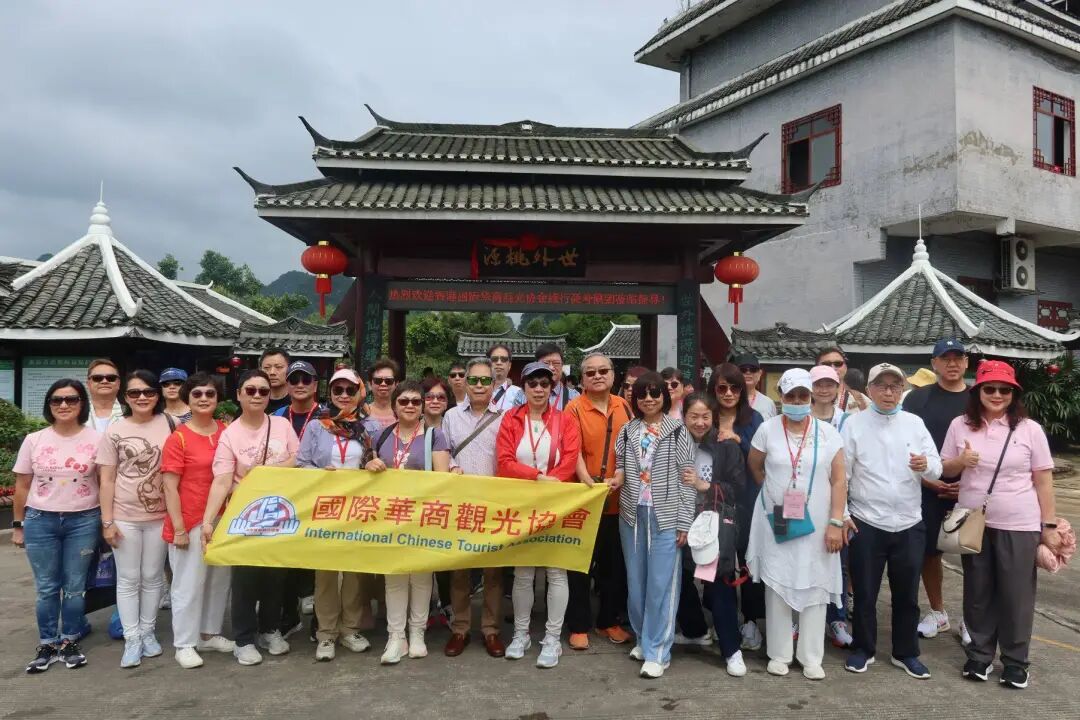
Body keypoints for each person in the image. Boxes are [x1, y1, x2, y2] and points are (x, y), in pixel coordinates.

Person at [941, 360, 1059, 689]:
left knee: (1016, 595)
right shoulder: (960, 425)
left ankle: (1015, 661)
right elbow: (945, 469)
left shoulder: (1029, 429)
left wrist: (1048, 525)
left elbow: (1044, 480)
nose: (997, 395)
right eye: (989, 388)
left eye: (1004, 390)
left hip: (1019, 523)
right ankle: (979, 656)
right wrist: (961, 461)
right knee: (977, 591)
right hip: (973, 523)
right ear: (977, 391)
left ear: (1013, 393)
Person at [842, 363, 942, 680]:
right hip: (867, 520)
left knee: (907, 595)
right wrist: (842, 514)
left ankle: (905, 652)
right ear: (869, 389)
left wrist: (926, 465)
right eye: (881, 386)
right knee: (865, 592)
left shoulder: (914, 423)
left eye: (895, 386)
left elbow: (936, 467)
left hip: (909, 522)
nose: (888, 392)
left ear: (902, 390)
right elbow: (842, 475)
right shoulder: (854, 425)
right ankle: (863, 648)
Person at [747, 368, 847, 681]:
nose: (797, 401)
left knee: (816, 583)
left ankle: (811, 656)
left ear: (811, 397)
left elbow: (840, 479)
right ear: (781, 396)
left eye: (803, 395)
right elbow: (755, 465)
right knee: (777, 582)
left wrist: (836, 521)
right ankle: (779, 653)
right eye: (791, 396)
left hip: (818, 521)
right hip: (777, 518)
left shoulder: (828, 434)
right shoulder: (767, 429)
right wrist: (774, 493)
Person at [202, 369, 300, 666]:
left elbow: (298, 459)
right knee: (245, 578)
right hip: (246, 515)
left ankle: (270, 629)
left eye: (263, 391)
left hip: (281, 512)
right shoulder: (229, 434)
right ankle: (243, 639)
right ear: (239, 394)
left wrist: (265, 472)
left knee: (275, 573)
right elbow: (222, 480)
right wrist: (208, 521)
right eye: (251, 390)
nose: (257, 395)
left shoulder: (282, 425)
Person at [609, 371, 696, 679]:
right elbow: (621, 466)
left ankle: (659, 651)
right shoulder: (627, 430)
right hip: (632, 515)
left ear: (664, 396)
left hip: (667, 515)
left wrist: (685, 521)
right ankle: (643, 638)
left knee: (662, 584)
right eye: (642, 394)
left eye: (655, 393)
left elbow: (687, 477)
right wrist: (616, 479)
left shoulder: (678, 431)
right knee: (636, 583)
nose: (648, 399)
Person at [496, 361, 581, 669]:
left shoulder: (564, 419)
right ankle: (521, 634)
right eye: (532, 383)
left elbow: (570, 458)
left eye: (545, 384)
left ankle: (552, 638)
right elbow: (505, 461)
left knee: (557, 572)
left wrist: (551, 483)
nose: (539, 389)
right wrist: (537, 477)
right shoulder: (511, 418)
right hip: (522, 504)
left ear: (552, 388)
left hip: (556, 503)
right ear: (524, 387)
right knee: (523, 573)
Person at [14, 379, 100, 673]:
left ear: (81, 404)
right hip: (41, 520)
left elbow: (106, 482)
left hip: (84, 520)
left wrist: (108, 521)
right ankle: (48, 643)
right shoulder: (34, 439)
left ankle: (70, 640)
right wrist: (18, 525)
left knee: (75, 587)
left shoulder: (97, 439)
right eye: (57, 400)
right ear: (49, 405)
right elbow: (22, 485)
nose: (64, 405)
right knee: (47, 588)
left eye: (71, 399)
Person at [365, 380, 451, 665]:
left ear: (423, 406)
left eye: (416, 401)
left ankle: (417, 634)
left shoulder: (434, 436)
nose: (410, 406)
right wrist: (370, 465)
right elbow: (369, 472)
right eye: (404, 401)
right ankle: (395, 637)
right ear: (395, 405)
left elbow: (442, 479)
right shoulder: (381, 435)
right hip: (390, 518)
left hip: (423, 518)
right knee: (395, 578)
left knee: (422, 578)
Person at [297, 368, 375, 662]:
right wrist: (320, 473)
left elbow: (377, 460)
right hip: (325, 509)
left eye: (350, 390)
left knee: (354, 572)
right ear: (329, 393)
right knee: (326, 574)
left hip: (357, 509)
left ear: (359, 392)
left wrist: (375, 464)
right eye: (337, 390)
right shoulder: (317, 426)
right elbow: (302, 463)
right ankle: (326, 633)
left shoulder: (370, 427)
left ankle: (350, 629)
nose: (343, 395)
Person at [97, 370, 173, 668]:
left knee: (153, 577)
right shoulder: (114, 430)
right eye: (134, 393)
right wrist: (107, 521)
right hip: (124, 516)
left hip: (160, 515)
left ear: (157, 394)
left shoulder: (171, 424)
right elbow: (106, 479)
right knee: (128, 579)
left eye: (149, 392)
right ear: (125, 397)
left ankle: (148, 632)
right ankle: (132, 638)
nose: (142, 397)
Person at [160, 373, 234, 669]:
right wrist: (178, 528)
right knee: (188, 584)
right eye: (197, 394)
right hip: (189, 520)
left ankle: (209, 633)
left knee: (218, 580)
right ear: (187, 399)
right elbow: (169, 487)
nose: (204, 399)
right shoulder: (177, 438)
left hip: (222, 519)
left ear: (218, 398)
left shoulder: (227, 432)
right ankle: (185, 643)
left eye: (210, 394)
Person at [564, 352, 634, 650]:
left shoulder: (625, 406)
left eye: (603, 371)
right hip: (584, 497)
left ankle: (608, 621)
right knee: (579, 566)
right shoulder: (573, 408)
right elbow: (573, 449)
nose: (597, 376)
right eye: (590, 372)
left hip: (617, 498)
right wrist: (587, 481)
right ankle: (579, 625)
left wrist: (620, 474)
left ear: (613, 375)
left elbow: (632, 447)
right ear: (582, 379)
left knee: (612, 565)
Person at [902, 339, 970, 643]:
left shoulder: (978, 398)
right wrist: (930, 480)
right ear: (934, 363)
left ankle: (972, 618)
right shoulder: (917, 399)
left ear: (966, 362)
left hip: (970, 491)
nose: (952, 363)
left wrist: (966, 485)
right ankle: (938, 611)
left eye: (958, 358)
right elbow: (905, 444)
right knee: (929, 553)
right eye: (945, 358)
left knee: (973, 555)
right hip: (927, 488)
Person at [679, 392, 749, 677]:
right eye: (693, 416)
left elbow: (738, 488)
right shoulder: (674, 443)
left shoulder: (725, 446)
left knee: (718, 583)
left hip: (711, 525)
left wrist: (705, 485)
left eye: (705, 416)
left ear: (714, 417)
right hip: (679, 522)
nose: (699, 422)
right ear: (683, 416)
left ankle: (732, 649)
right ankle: (695, 630)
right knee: (679, 579)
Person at [442, 358, 508, 659]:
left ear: (494, 384)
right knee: (460, 570)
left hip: (494, 504)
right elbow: (443, 451)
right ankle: (460, 628)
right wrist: (452, 467)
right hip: (461, 503)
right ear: (465, 383)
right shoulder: (451, 416)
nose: (479, 385)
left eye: (485, 380)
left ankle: (491, 630)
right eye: (473, 380)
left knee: (494, 572)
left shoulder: (505, 417)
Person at [707, 362, 766, 651]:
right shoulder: (707, 417)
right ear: (714, 390)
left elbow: (763, 458)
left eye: (734, 388)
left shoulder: (754, 419)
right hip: (713, 502)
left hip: (748, 502)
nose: (728, 393)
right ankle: (723, 619)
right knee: (716, 562)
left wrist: (738, 439)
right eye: (722, 388)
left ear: (743, 391)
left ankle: (751, 620)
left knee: (748, 560)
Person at [273, 359, 323, 632]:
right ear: (287, 385)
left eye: (306, 380)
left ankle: (320, 622)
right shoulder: (277, 418)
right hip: (286, 497)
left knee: (318, 561)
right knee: (286, 558)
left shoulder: (328, 417)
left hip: (318, 497)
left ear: (315, 385)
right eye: (294, 380)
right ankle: (288, 616)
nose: (300, 385)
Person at [808, 364, 855, 649]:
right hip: (805, 501)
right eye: (818, 384)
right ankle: (800, 618)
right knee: (804, 560)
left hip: (840, 501)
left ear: (838, 387)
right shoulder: (798, 416)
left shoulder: (847, 421)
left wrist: (844, 512)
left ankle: (836, 619)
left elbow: (846, 471)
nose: (824, 390)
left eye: (829, 384)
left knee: (839, 561)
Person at [816, 347, 868, 413]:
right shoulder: (806, 398)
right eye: (826, 364)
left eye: (838, 363)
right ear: (816, 368)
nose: (833, 367)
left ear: (845, 368)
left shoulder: (861, 400)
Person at [535, 342, 579, 410]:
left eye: (556, 363)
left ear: (562, 365)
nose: (551, 368)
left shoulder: (574, 396)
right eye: (546, 363)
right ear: (536, 366)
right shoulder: (523, 395)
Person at [732, 353, 777, 420]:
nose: (748, 372)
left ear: (760, 373)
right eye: (743, 369)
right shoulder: (727, 399)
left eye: (753, 369)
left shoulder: (768, 403)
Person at [86, 358, 124, 431]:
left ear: (118, 383)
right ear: (88, 384)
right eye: (97, 378)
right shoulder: (76, 414)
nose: (104, 381)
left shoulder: (131, 413)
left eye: (111, 378)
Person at [364, 357, 400, 429]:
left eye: (388, 381)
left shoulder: (404, 412)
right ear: (370, 384)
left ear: (396, 384)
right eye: (378, 380)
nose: (383, 384)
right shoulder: (362, 413)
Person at [488, 343, 525, 411]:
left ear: (509, 366)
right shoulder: (477, 389)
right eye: (494, 359)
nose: (499, 362)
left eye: (504, 359)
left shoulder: (519, 393)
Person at [260, 347, 292, 414]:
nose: (272, 372)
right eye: (267, 368)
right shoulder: (255, 401)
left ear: (289, 369)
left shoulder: (296, 401)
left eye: (279, 367)